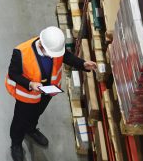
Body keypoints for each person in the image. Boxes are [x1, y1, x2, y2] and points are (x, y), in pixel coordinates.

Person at [6, 26, 97, 161]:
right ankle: (16, 144)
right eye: (52, 54)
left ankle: (31, 130)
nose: (54, 56)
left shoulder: (54, 48)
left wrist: (82, 64)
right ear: (42, 45)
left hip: (46, 92)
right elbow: (13, 74)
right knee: (20, 121)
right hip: (28, 96)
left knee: (37, 113)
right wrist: (30, 84)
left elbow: (65, 56)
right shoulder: (21, 52)